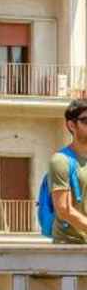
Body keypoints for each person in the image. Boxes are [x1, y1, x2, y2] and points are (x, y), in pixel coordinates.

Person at [49, 99, 87, 244]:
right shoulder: (61, 160)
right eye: (85, 120)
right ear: (72, 125)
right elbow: (64, 209)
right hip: (68, 248)